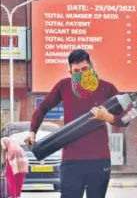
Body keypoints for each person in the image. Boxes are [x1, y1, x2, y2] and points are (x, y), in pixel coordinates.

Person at [25, 49, 129, 198]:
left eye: (85, 69)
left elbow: (126, 119)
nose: (81, 73)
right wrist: (32, 131)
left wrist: (108, 117)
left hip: (99, 161)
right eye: (76, 71)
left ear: (91, 66)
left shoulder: (107, 88)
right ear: (70, 71)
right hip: (71, 161)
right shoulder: (64, 86)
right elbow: (43, 108)